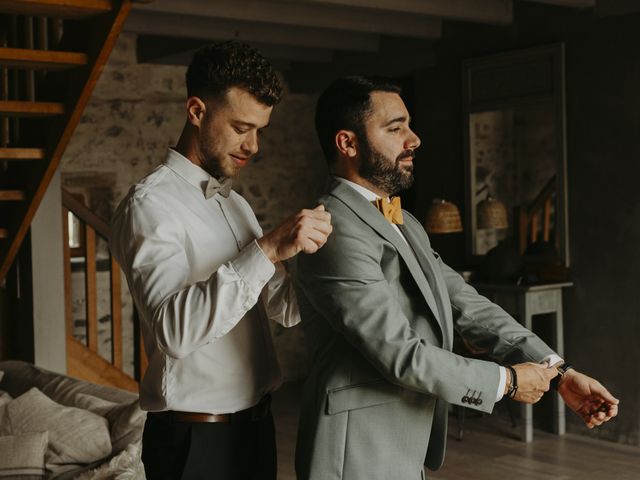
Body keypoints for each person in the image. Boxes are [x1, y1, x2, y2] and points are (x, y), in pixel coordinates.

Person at [293, 76, 618, 480]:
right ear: (348, 143)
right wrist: (507, 382)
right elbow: (399, 353)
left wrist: (557, 372)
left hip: (404, 438)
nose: (414, 139)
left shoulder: (405, 222)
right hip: (355, 446)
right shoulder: (332, 228)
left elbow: (467, 304)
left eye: (409, 126)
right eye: (395, 129)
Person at [109, 42, 332, 480]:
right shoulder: (149, 205)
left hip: (256, 429)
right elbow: (174, 330)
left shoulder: (238, 207)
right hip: (194, 444)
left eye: (260, 130)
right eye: (241, 127)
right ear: (196, 111)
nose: (253, 145)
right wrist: (266, 250)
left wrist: (323, 256)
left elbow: (284, 309)